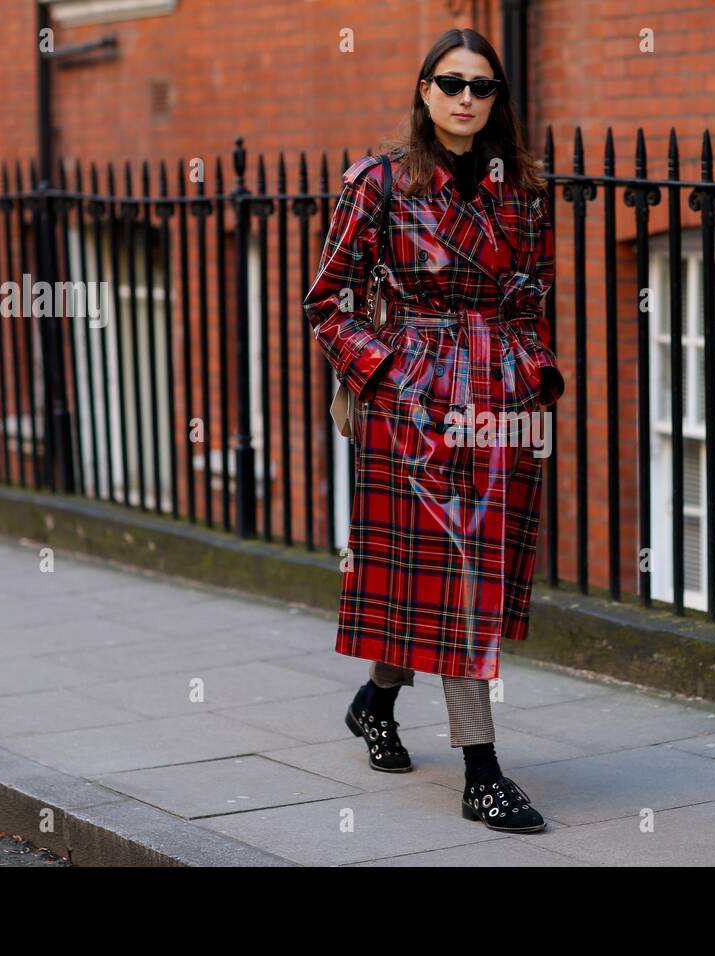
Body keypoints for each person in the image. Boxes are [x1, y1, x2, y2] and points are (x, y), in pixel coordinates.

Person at [303, 27, 564, 834]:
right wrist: (390, 376)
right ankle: (481, 772)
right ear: (423, 91)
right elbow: (328, 302)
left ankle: (376, 702)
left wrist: (532, 373)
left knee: (454, 570)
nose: (465, 98)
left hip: (494, 396)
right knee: (452, 570)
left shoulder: (521, 188)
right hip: (411, 400)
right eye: (450, 83)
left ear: (498, 100)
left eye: (482, 86)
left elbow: (532, 299)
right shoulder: (378, 182)